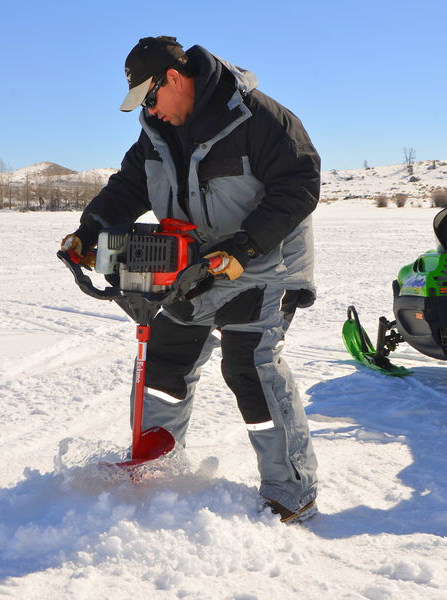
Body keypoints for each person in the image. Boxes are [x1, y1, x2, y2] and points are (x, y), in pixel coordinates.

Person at [62, 36, 320, 523]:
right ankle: (155, 464)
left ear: (174, 79)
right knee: (163, 362)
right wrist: (87, 232)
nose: (151, 111)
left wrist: (245, 246)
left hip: (262, 265)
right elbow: (128, 188)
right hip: (193, 268)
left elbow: (301, 184)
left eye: (151, 98)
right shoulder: (156, 131)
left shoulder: (259, 119)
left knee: (251, 368)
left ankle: (292, 490)